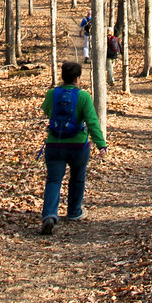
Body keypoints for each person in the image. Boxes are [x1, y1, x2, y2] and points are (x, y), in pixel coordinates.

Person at [39, 61, 107, 235]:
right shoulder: (83, 96)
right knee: (77, 178)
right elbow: (92, 121)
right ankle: (74, 212)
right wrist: (101, 144)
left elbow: (46, 111)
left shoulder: (52, 93)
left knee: (54, 180)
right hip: (78, 145)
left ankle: (49, 215)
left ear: (62, 76)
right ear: (78, 78)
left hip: (55, 144)